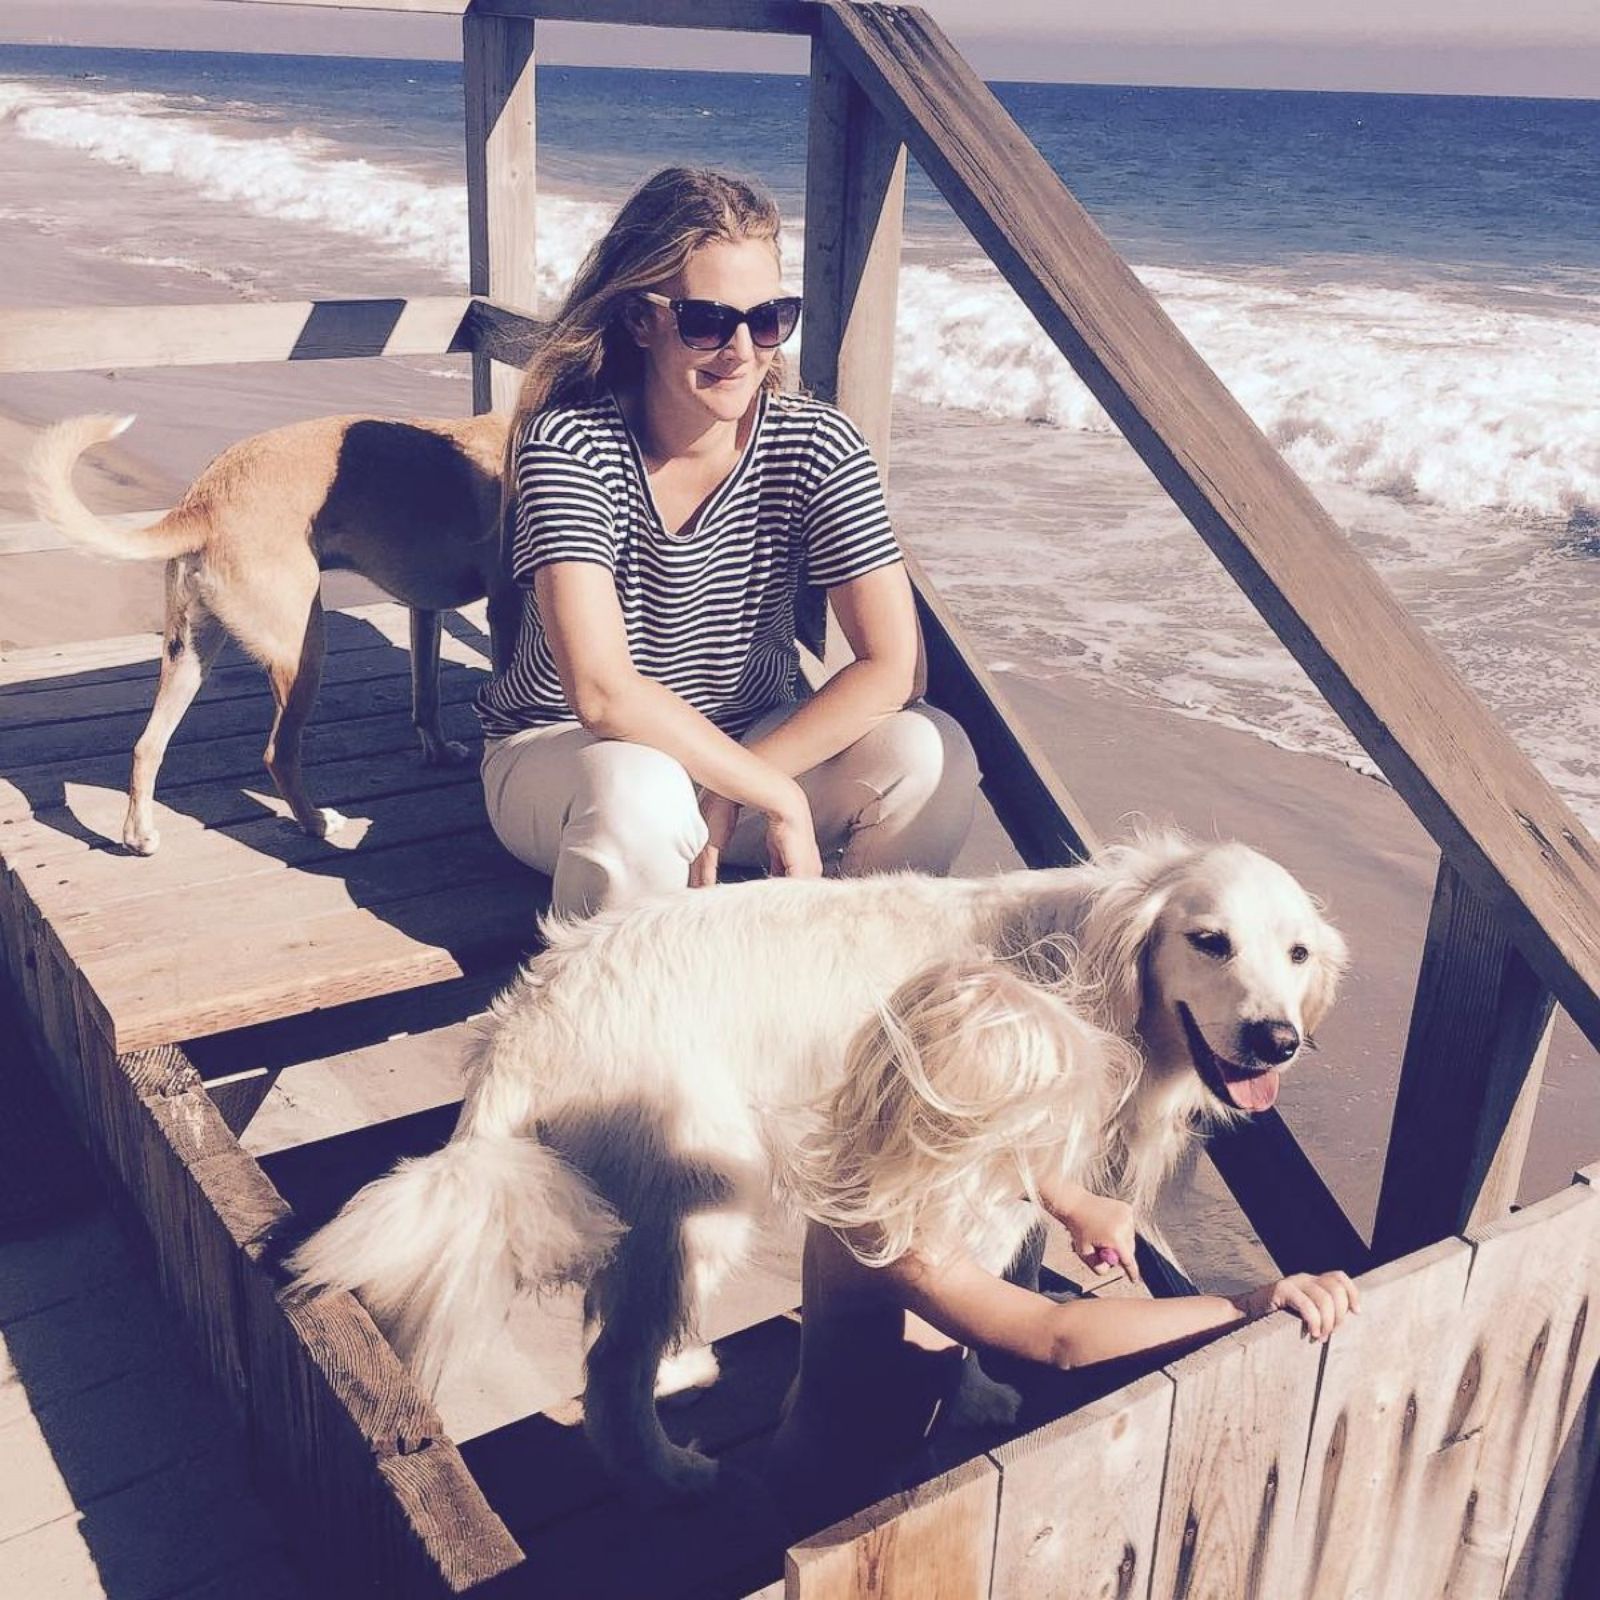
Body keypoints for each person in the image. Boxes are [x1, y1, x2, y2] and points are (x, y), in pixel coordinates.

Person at [477, 167, 979, 916]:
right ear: (642, 321)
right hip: (571, 760)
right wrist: (765, 791)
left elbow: (893, 667)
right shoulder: (571, 445)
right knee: (642, 792)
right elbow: (602, 693)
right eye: (708, 321)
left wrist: (734, 781)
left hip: (751, 748)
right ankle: (625, 1022)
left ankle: (840, 992)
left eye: (770, 318)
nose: (743, 350)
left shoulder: (818, 444)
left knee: (929, 755)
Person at [769, 958, 1359, 1528]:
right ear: (955, 1134)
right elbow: (1056, 1337)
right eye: (1033, 1131)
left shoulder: (900, 1159)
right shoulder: (890, 1234)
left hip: (896, 1426)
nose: (1043, 1154)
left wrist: (1079, 1206)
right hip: (839, 1483)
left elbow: (1018, 1162)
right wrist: (1242, 1305)